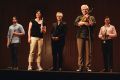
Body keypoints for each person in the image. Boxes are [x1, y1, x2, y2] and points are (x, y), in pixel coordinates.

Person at [74, 4, 96, 72]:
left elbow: (93, 24)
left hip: (88, 36)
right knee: (80, 53)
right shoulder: (79, 17)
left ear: (88, 10)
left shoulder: (91, 17)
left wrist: (88, 19)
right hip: (80, 36)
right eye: (83, 9)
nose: (84, 10)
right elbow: (75, 23)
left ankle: (88, 67)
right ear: (81, 10)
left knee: (88, 53)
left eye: (86, 9)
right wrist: (83, 22)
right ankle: (80, 66)